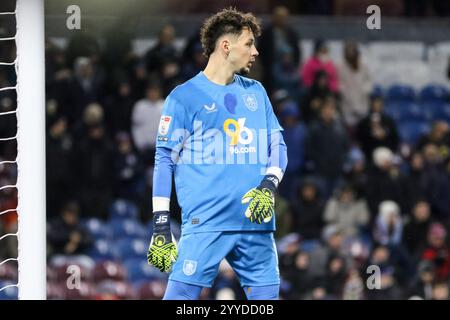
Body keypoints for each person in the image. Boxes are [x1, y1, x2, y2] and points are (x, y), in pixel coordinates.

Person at [147, 8, 288, 300]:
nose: (256, 52)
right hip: (206, 225)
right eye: (249, 44)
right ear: (226, 46)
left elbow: (279, 147)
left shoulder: (256, 92)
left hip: (255, 224)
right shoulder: (183, 97)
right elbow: (164, 160)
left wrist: (269, 184)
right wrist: (161, 223)